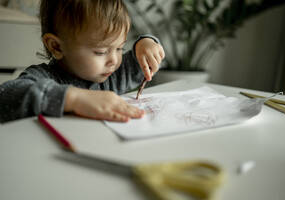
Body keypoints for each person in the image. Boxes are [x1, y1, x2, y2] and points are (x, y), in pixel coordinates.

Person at [0, 0, 165, 123]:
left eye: (119, 48)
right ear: (56, 47)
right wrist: (74, 99)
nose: (114, 60)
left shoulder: (111, 76)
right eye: (100, 51)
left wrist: (147, 44)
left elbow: (139, 63)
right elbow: (6, 96)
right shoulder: (43, 77)